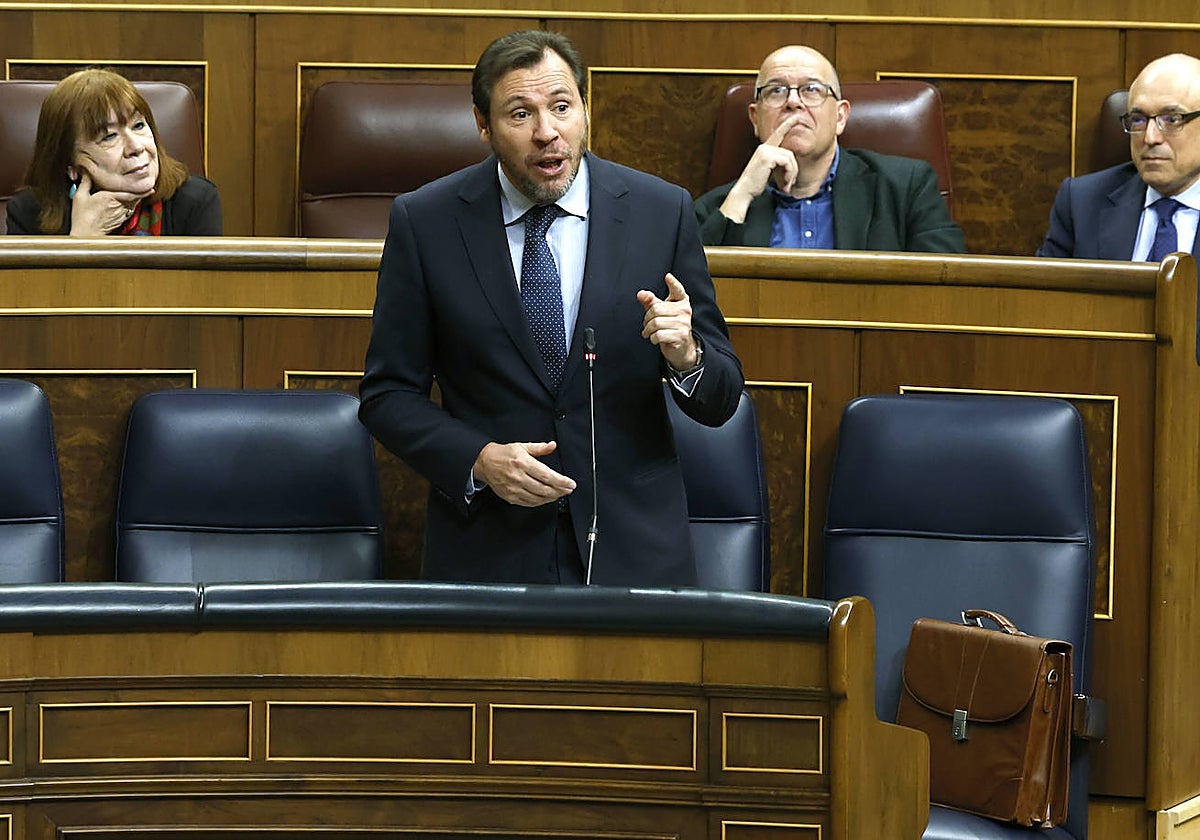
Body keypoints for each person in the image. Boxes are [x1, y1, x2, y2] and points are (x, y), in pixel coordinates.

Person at [359, 30, 744, 587]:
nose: (547, 132)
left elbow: (721, 398)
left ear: (586, 109)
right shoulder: (427, 222)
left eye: (562, 107)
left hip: (635, 556)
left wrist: (687, 357)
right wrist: (478, 458)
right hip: (488, 554)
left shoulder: (661, 211)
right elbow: (387, 395)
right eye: (521, 114)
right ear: (483, 124)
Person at [694, 45, 964, 253]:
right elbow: (694, 298)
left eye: (811, 89)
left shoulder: (905, 187)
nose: (793, 102)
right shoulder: (719, 207)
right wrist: (742, 194)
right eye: (776, 91)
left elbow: (949, 290)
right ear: (755, 118)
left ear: (840, 117)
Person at [6, 68, 221, 236]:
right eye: (109, 137)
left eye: (138, 126)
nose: (136, 147)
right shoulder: (28, 213)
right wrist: (80, 240)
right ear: (72, 167)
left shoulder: (194, 201)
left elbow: (202, 292)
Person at [1038, 53, 1200, 260]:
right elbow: (1047, 291)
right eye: (1138, 120)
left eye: (1171, 119)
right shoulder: (1081, 203)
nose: (1150, 138)